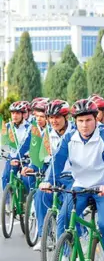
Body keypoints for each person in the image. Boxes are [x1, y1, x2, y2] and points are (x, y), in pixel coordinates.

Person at [40, 99, 104, 261]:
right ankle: (65, 258)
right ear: (75, 121)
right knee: (64, 216)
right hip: (80, 186)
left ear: (96, 119)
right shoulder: (70, 138)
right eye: (80, 121)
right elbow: (57, 161)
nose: (84, 125)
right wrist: (47, 180)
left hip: (102, 188)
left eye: (88, 120)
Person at [30, 100, 74, 251]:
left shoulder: (75, 133)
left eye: (58, 117)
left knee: (66, 214)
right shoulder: (48, 134)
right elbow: (40, 155)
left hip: (74, 179)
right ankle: (45, 236)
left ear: (66, 117)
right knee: (39, 195)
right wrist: (32, 167)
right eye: (51, 117)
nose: (54, 121)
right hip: (55, 176)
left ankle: (69, 252)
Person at [2, 101, 32, 190]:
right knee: (5, 178)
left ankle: (27, 202)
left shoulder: (30, 127)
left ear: (23, 114)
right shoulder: (7, 127)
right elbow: (3, 143)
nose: (14, 115)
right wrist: (7, 156)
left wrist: (18, 158)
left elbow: (26, 144)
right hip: (12, 158)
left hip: (26, 159)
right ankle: (7, 203)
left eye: (17, 113)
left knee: (27, 180)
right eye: (13, 113)